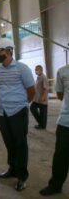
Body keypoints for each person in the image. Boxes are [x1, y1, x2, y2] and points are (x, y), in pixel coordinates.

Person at [0, 38, 35, 191]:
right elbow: (0, 89)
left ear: (9, 51)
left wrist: (22, 105)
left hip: (18, 112)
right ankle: (12, 169)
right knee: (9, 143)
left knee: (20, 144)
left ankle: (22, 176)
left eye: (1, 51)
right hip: (3, 112)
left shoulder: (22, 68)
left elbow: (31, 91)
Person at [39, 64, 69, 196]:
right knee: (61, 156)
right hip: (65, 122)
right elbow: (60, 95)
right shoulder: (62, 71)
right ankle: (56, 185)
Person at [30, 65, 49, 129]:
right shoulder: (38, 77)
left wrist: (43, 97)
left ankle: (42, 125)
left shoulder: (44, 77)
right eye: (35, 69)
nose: (36, 71)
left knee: (43, 113)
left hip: (42, 99)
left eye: (37, 69)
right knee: (32, 108)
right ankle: (41, 123)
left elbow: (46, 89)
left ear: (41, 70)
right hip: (37, 99)